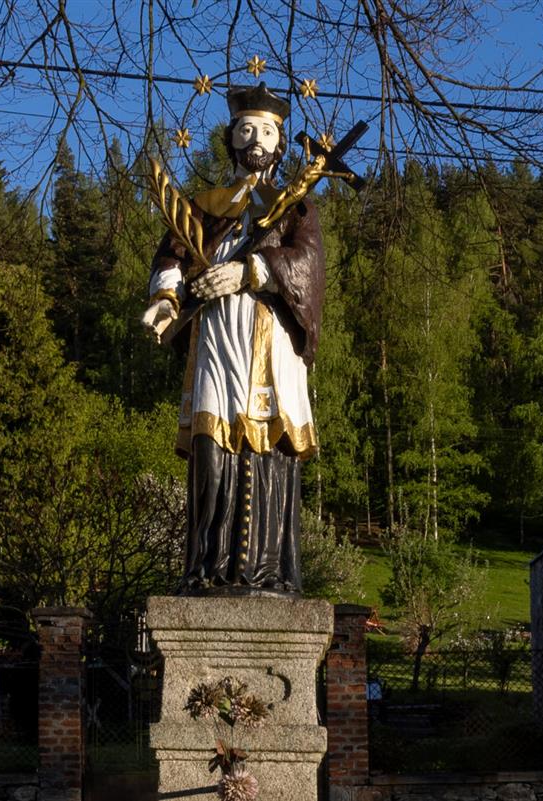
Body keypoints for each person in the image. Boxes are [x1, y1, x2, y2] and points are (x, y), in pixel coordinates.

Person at [141, 83, 325, 594]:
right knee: (211, 443)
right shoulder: (205, 205)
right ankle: (207, 567)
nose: (256, 139)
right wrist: (166, 298)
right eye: (246, 129)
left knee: (269, 444)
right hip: (216, 339)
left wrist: (249, 271)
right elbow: (173, 255)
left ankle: (267, 570)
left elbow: (309, 267)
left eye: (266, 131)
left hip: (270, 340)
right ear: (231, 139)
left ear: (281, 142)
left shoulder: (295, 206)